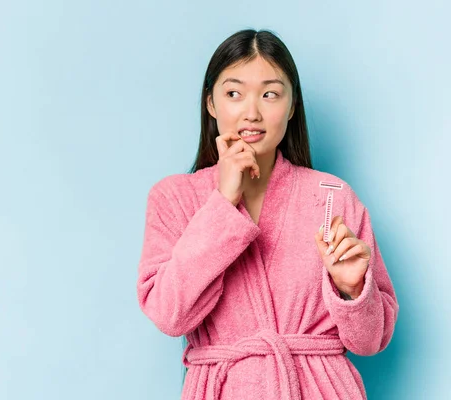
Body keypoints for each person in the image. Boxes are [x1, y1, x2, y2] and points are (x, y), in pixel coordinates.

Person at [136, 28, 399, 400]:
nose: (252, 112)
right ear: (211, 103)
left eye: (270, 94)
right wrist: (223, 203)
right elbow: (169, 315)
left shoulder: (331, 197)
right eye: (233, 94)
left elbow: (370, 342)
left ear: (292, 106)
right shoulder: (174, 198)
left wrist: (353, 290)